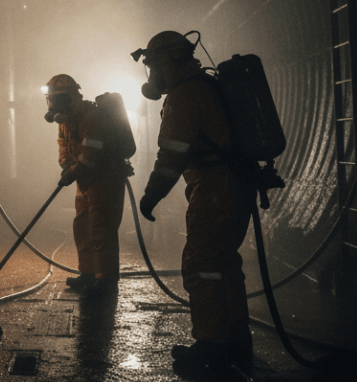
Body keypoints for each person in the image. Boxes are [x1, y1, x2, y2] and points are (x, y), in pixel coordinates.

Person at [134, 31, 256, 367]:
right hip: (236, 184)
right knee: (224, 264)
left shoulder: (184, 95)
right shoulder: (206, 85)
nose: (151, 73)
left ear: (168, 60)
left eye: (152, 64)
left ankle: (211, 345)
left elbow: (172, 153)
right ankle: (236, 337)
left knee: (201, 266)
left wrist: (151, 195)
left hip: (215, 188)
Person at [44, 75, 127, 295]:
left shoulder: (91, 116)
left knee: (101, 230)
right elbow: (63, 145)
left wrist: (72, 173)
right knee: (82, 226)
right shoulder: (66, 119)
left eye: (56, 99)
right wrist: (66, 165)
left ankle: (106, 281)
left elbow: (92, 155)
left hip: (105, 178)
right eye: (50, 100)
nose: (53, 105)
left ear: (70, 97)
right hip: (85, 180)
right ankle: (89, 274)